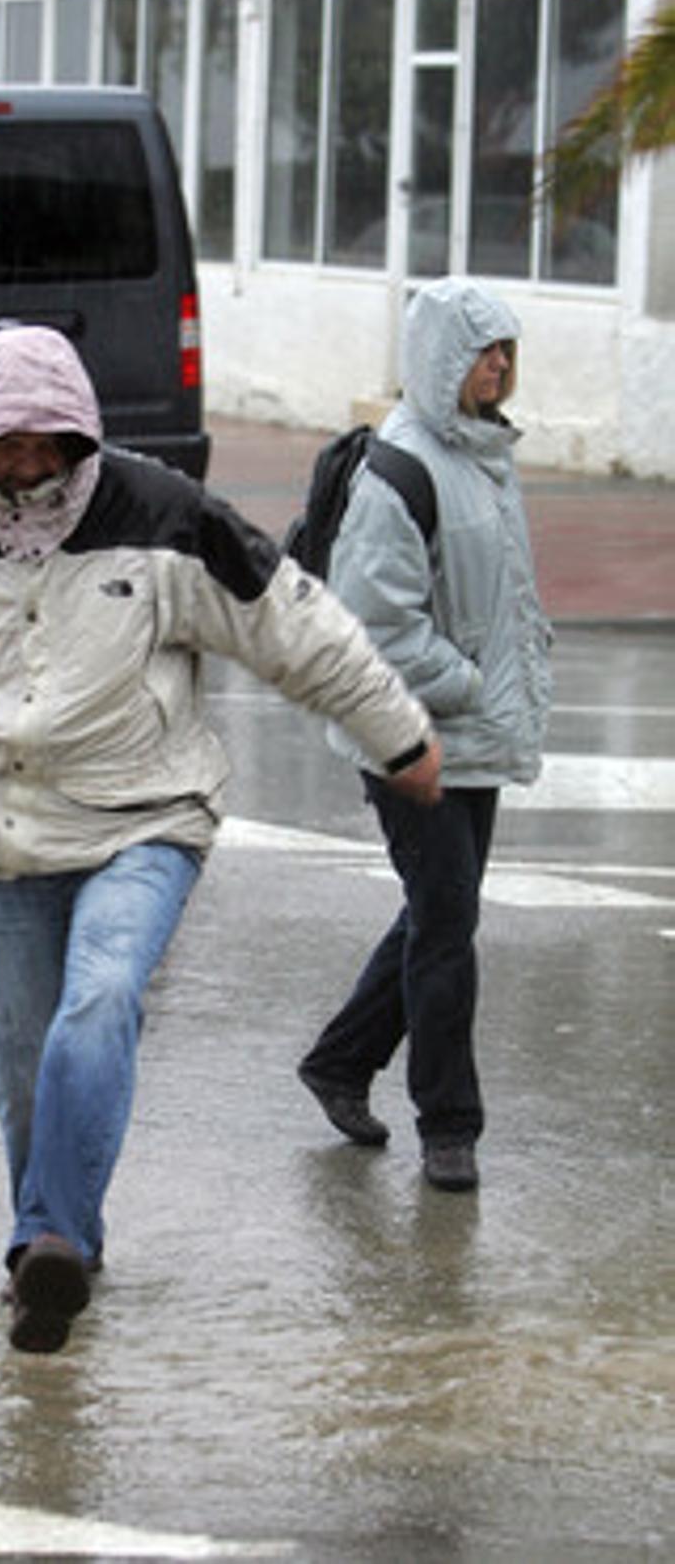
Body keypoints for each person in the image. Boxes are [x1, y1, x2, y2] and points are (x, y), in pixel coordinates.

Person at [0, 324, 441, 1353]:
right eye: (5, 442)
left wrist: (397, 734)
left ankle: (46, 1241)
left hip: (147, 815)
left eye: (46, 439)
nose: (26, 461)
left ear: (78, 435)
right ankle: (61, 1246)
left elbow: (293, 623)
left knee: (103, 995)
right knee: (20, 1059)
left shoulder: (165, 517)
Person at [298, 277, 552, 1194]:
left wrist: (505, 678)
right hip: (404, 737)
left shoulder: (485, 455)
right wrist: (472, 683)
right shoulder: (399, 471)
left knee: (438, 912)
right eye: (486, 350)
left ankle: (338, 1062)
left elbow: (496, 594)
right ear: (444, 357)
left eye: (508, 352)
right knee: (447, 926)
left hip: (470, 734)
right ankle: (450, 1126)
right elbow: (380, 629)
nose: (500, 366)